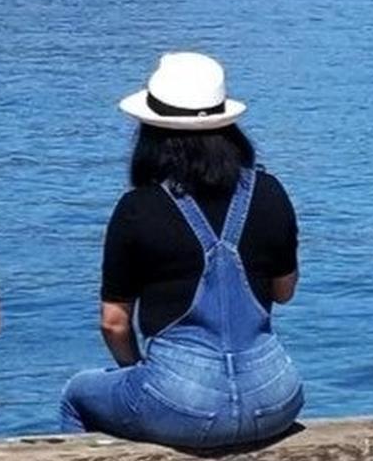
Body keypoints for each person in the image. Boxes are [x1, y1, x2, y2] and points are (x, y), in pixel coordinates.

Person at [60, 52, 303, 448]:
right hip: (276, 395)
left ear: (151, 133)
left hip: (182, 403)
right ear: (229, 127)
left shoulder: (137, 209)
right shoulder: (270, 191)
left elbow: (114, 322)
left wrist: (137, 371)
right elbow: (284, 292)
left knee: (76, 394)